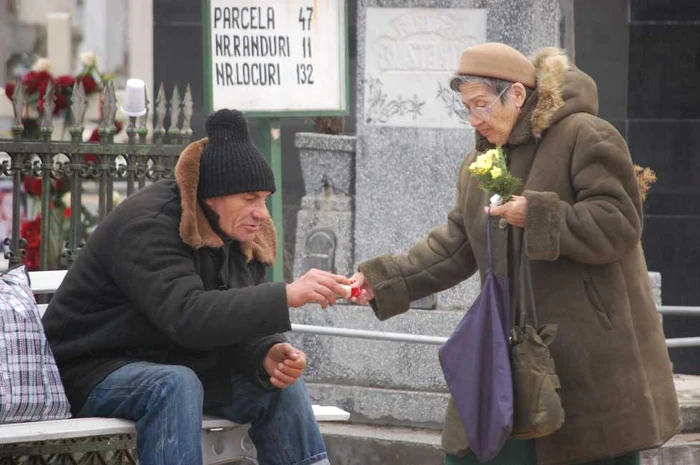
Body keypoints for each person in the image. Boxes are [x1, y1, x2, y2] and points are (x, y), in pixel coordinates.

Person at [349, 43, 680, 465]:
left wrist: (538, 215)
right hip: (507, 349)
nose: (474, 119)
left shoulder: (585, 134)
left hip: (587, 356)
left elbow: (619, 224)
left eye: (482, 105)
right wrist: (381, 279)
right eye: (466, 108)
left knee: (581, 451)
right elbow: (454, 244)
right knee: (475, 449)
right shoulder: (481, 162)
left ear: (517, 95)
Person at [42, 109, 349, 465]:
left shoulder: (239, 231)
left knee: (278, 381)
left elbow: (229, 317)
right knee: (174, 385)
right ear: (212, 196)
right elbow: (187, 317)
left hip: (178, 360)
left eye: (264, 198)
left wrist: (264, 352)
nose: (262, 213)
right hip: (91, 368)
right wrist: (285, 295)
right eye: (250, 199)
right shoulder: (148, 224)